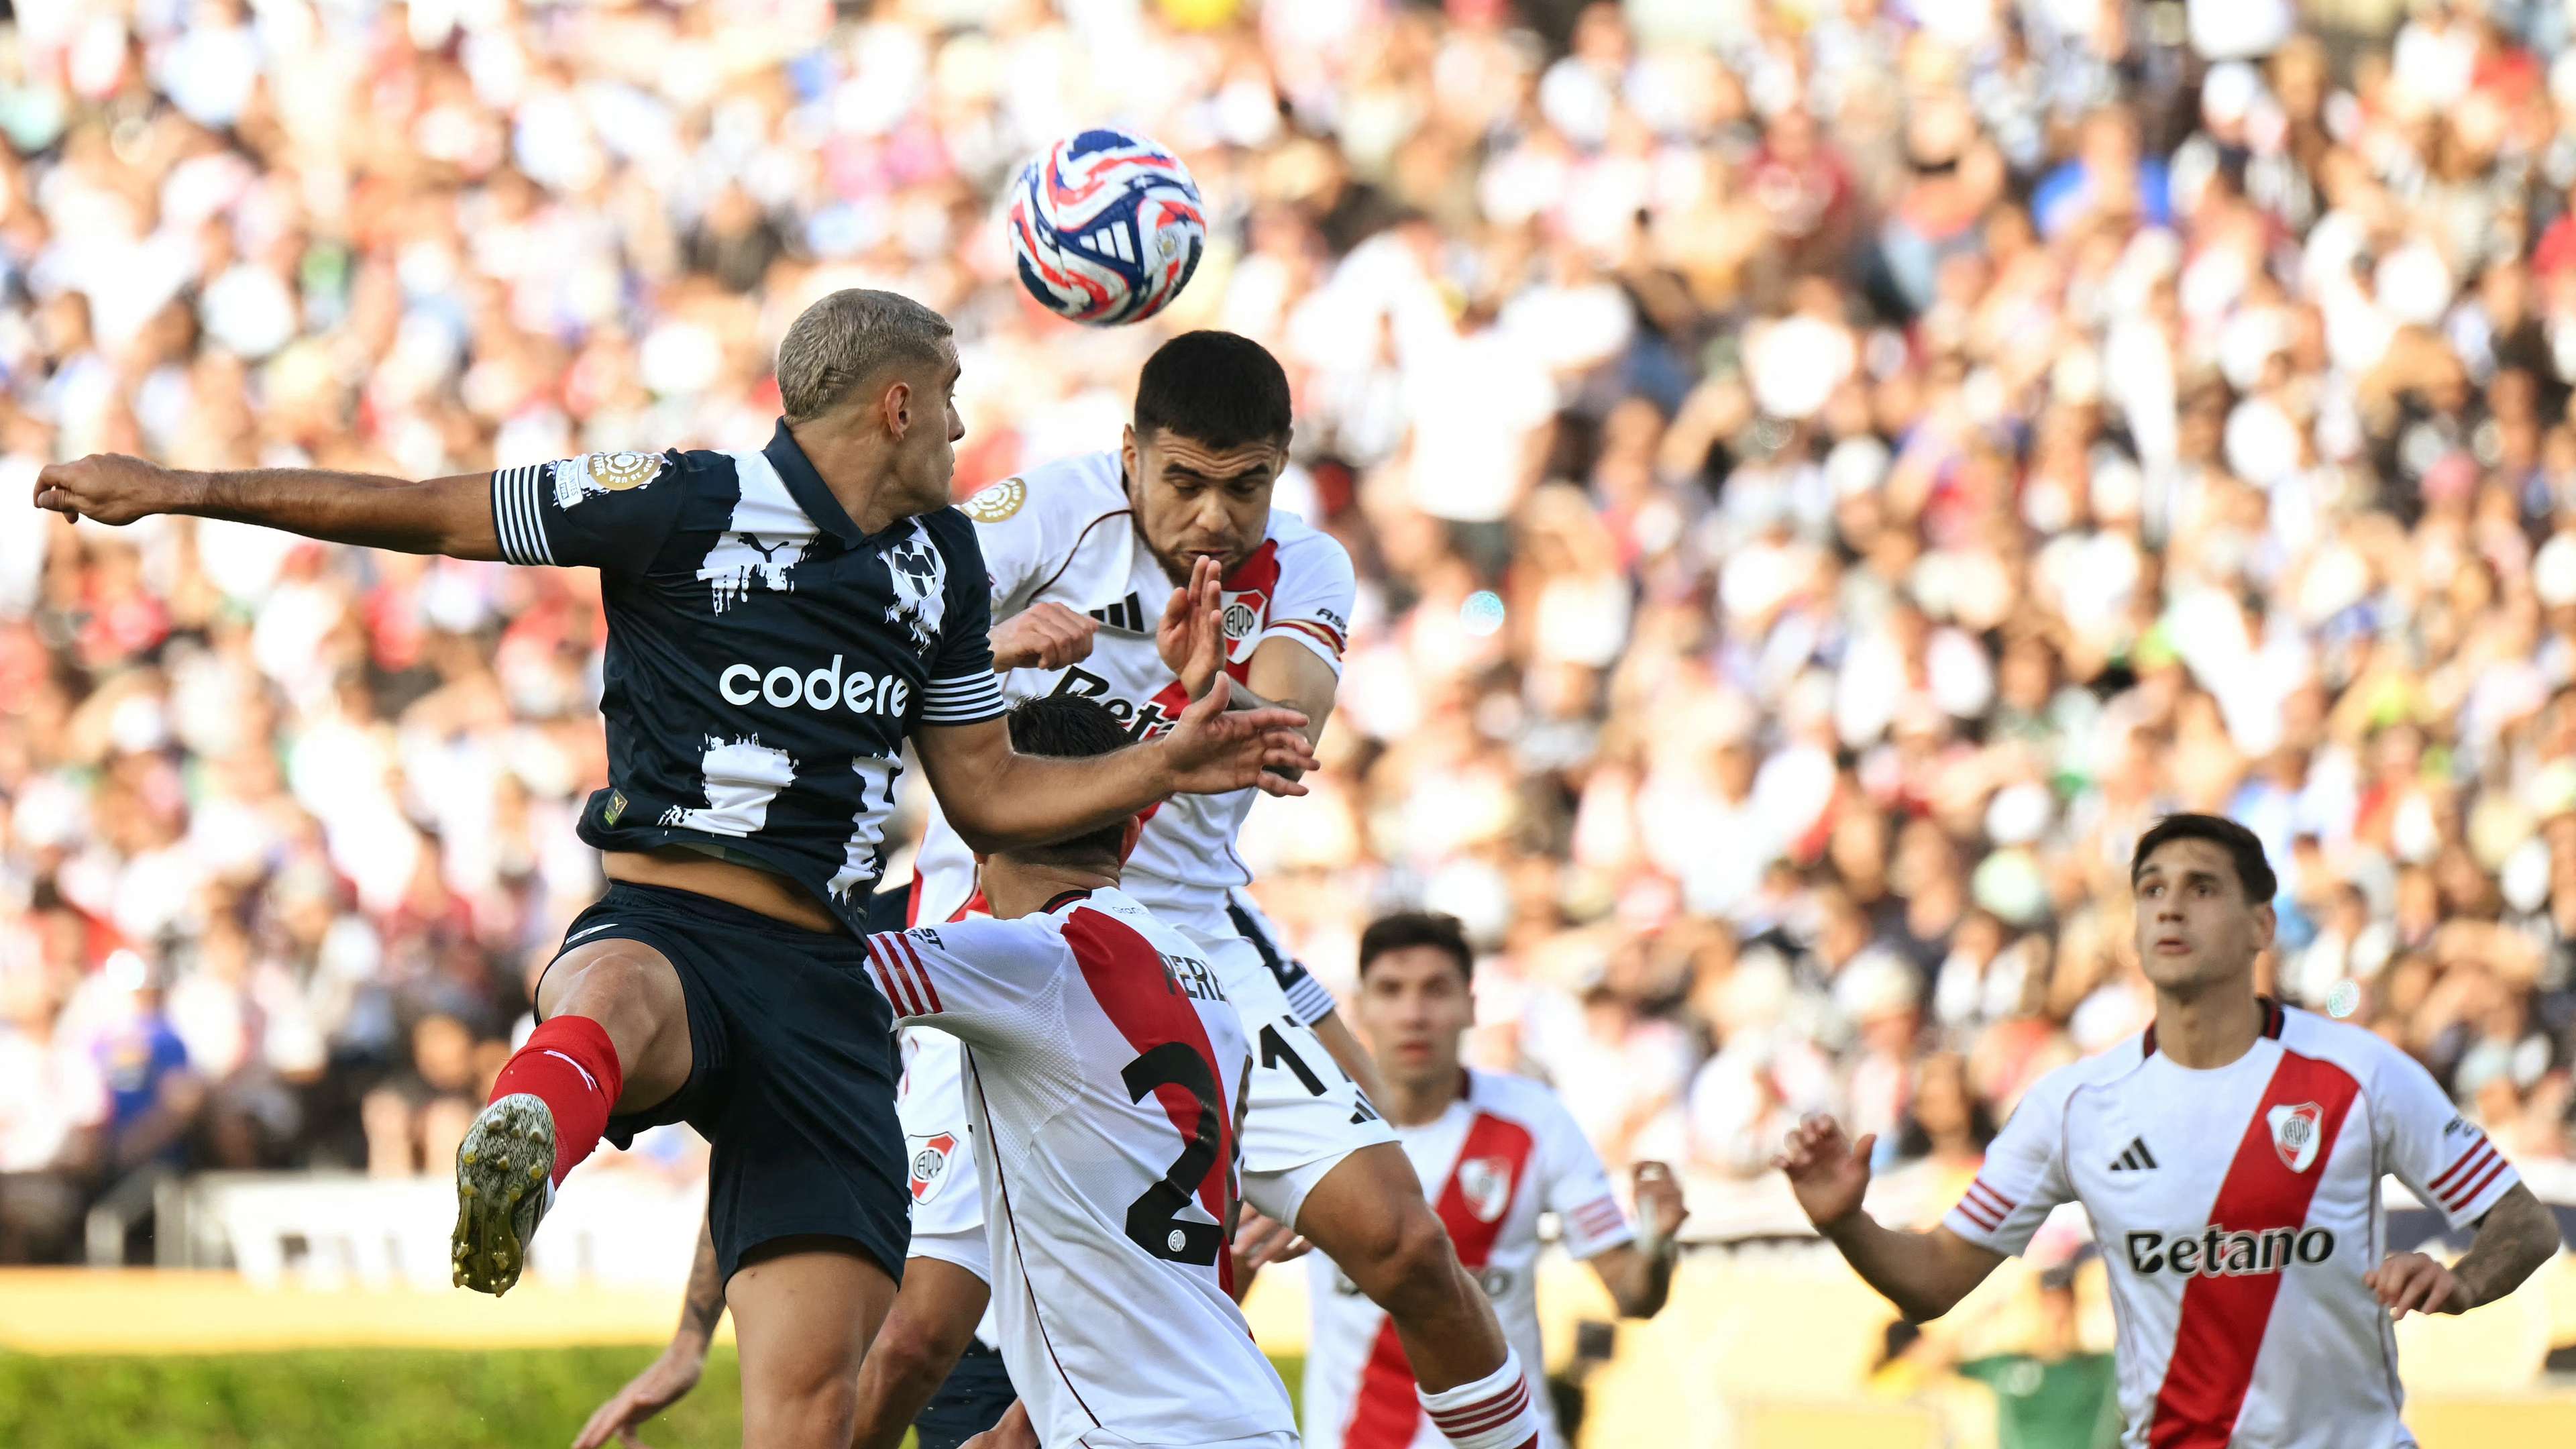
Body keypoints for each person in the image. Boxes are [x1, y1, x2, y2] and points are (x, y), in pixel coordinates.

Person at [32, 288, 1316, 1449]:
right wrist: (180, 488)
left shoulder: (940, 566)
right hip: (683, 922)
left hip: (824, 975)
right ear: (898, 402)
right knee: (620, 993)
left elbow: (989, 795)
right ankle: (531, 1128)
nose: (966, 433)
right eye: (955, 403)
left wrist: (1164, 757)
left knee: (814, 1406)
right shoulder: (677, 498)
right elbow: (427, 510)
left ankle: (546, 1102)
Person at [594, 329, 1550, 1449]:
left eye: (1246, 488)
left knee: (1405, 1244)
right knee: (918, 1334)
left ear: (1281, 471)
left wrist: (1212, 692)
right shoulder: (1048, 516)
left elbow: (1285, 738)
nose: (1214, 519)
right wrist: (993, 652)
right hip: (1000, 933)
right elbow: (863, 658)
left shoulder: (1307, 564)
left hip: (1186, 941)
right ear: (1130, 455)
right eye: (1185, 482)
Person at [1776, 813, 2563, 1449]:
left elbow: (2523, 1224)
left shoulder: (2363, 1074)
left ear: (2261, 925)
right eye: (2151, 889)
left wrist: (2461, 1283)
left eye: (2200, 888)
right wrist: (1848, 1223)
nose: (2171, 906)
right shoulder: (2075, 1104)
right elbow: (1932, 1279)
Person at [859, 693, 1295, 1449]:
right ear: (1130, 836)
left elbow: (814, 977)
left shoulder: (1030, 960)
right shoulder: (1206, 979)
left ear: (977, 833)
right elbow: (1180, 1242)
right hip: (1249, 1414)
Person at [1286, 910, 1688, 1449]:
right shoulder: (1308, 1129)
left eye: (1436, 990)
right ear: (1359, 1009)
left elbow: (1634, 1296)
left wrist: (1656, 1243)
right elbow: (1223, 1288)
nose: (1414, 1013)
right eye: (1391, 990)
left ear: (1470, 1007)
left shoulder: (1535, 1120)